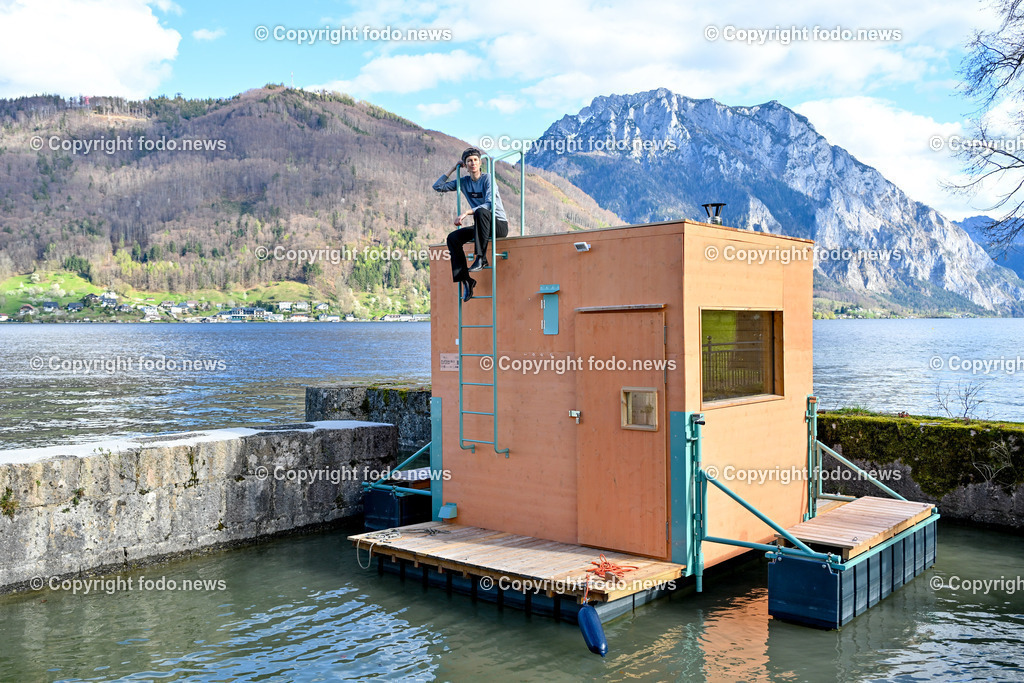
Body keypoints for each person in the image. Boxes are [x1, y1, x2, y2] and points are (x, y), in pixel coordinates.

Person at [433, 147, 509, 301]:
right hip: (481, 227)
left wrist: (467, 212)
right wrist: (454, 168)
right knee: (453, 238)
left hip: (498, 225)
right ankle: (466, 280)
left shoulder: (488, 179)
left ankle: (481, 258)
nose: (472, 163)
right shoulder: (464, 182)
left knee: (481, 212)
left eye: (475, 160)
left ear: (479, 163)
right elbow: (438, 186)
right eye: (469, 161)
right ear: (465, 166)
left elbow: (489, 204)